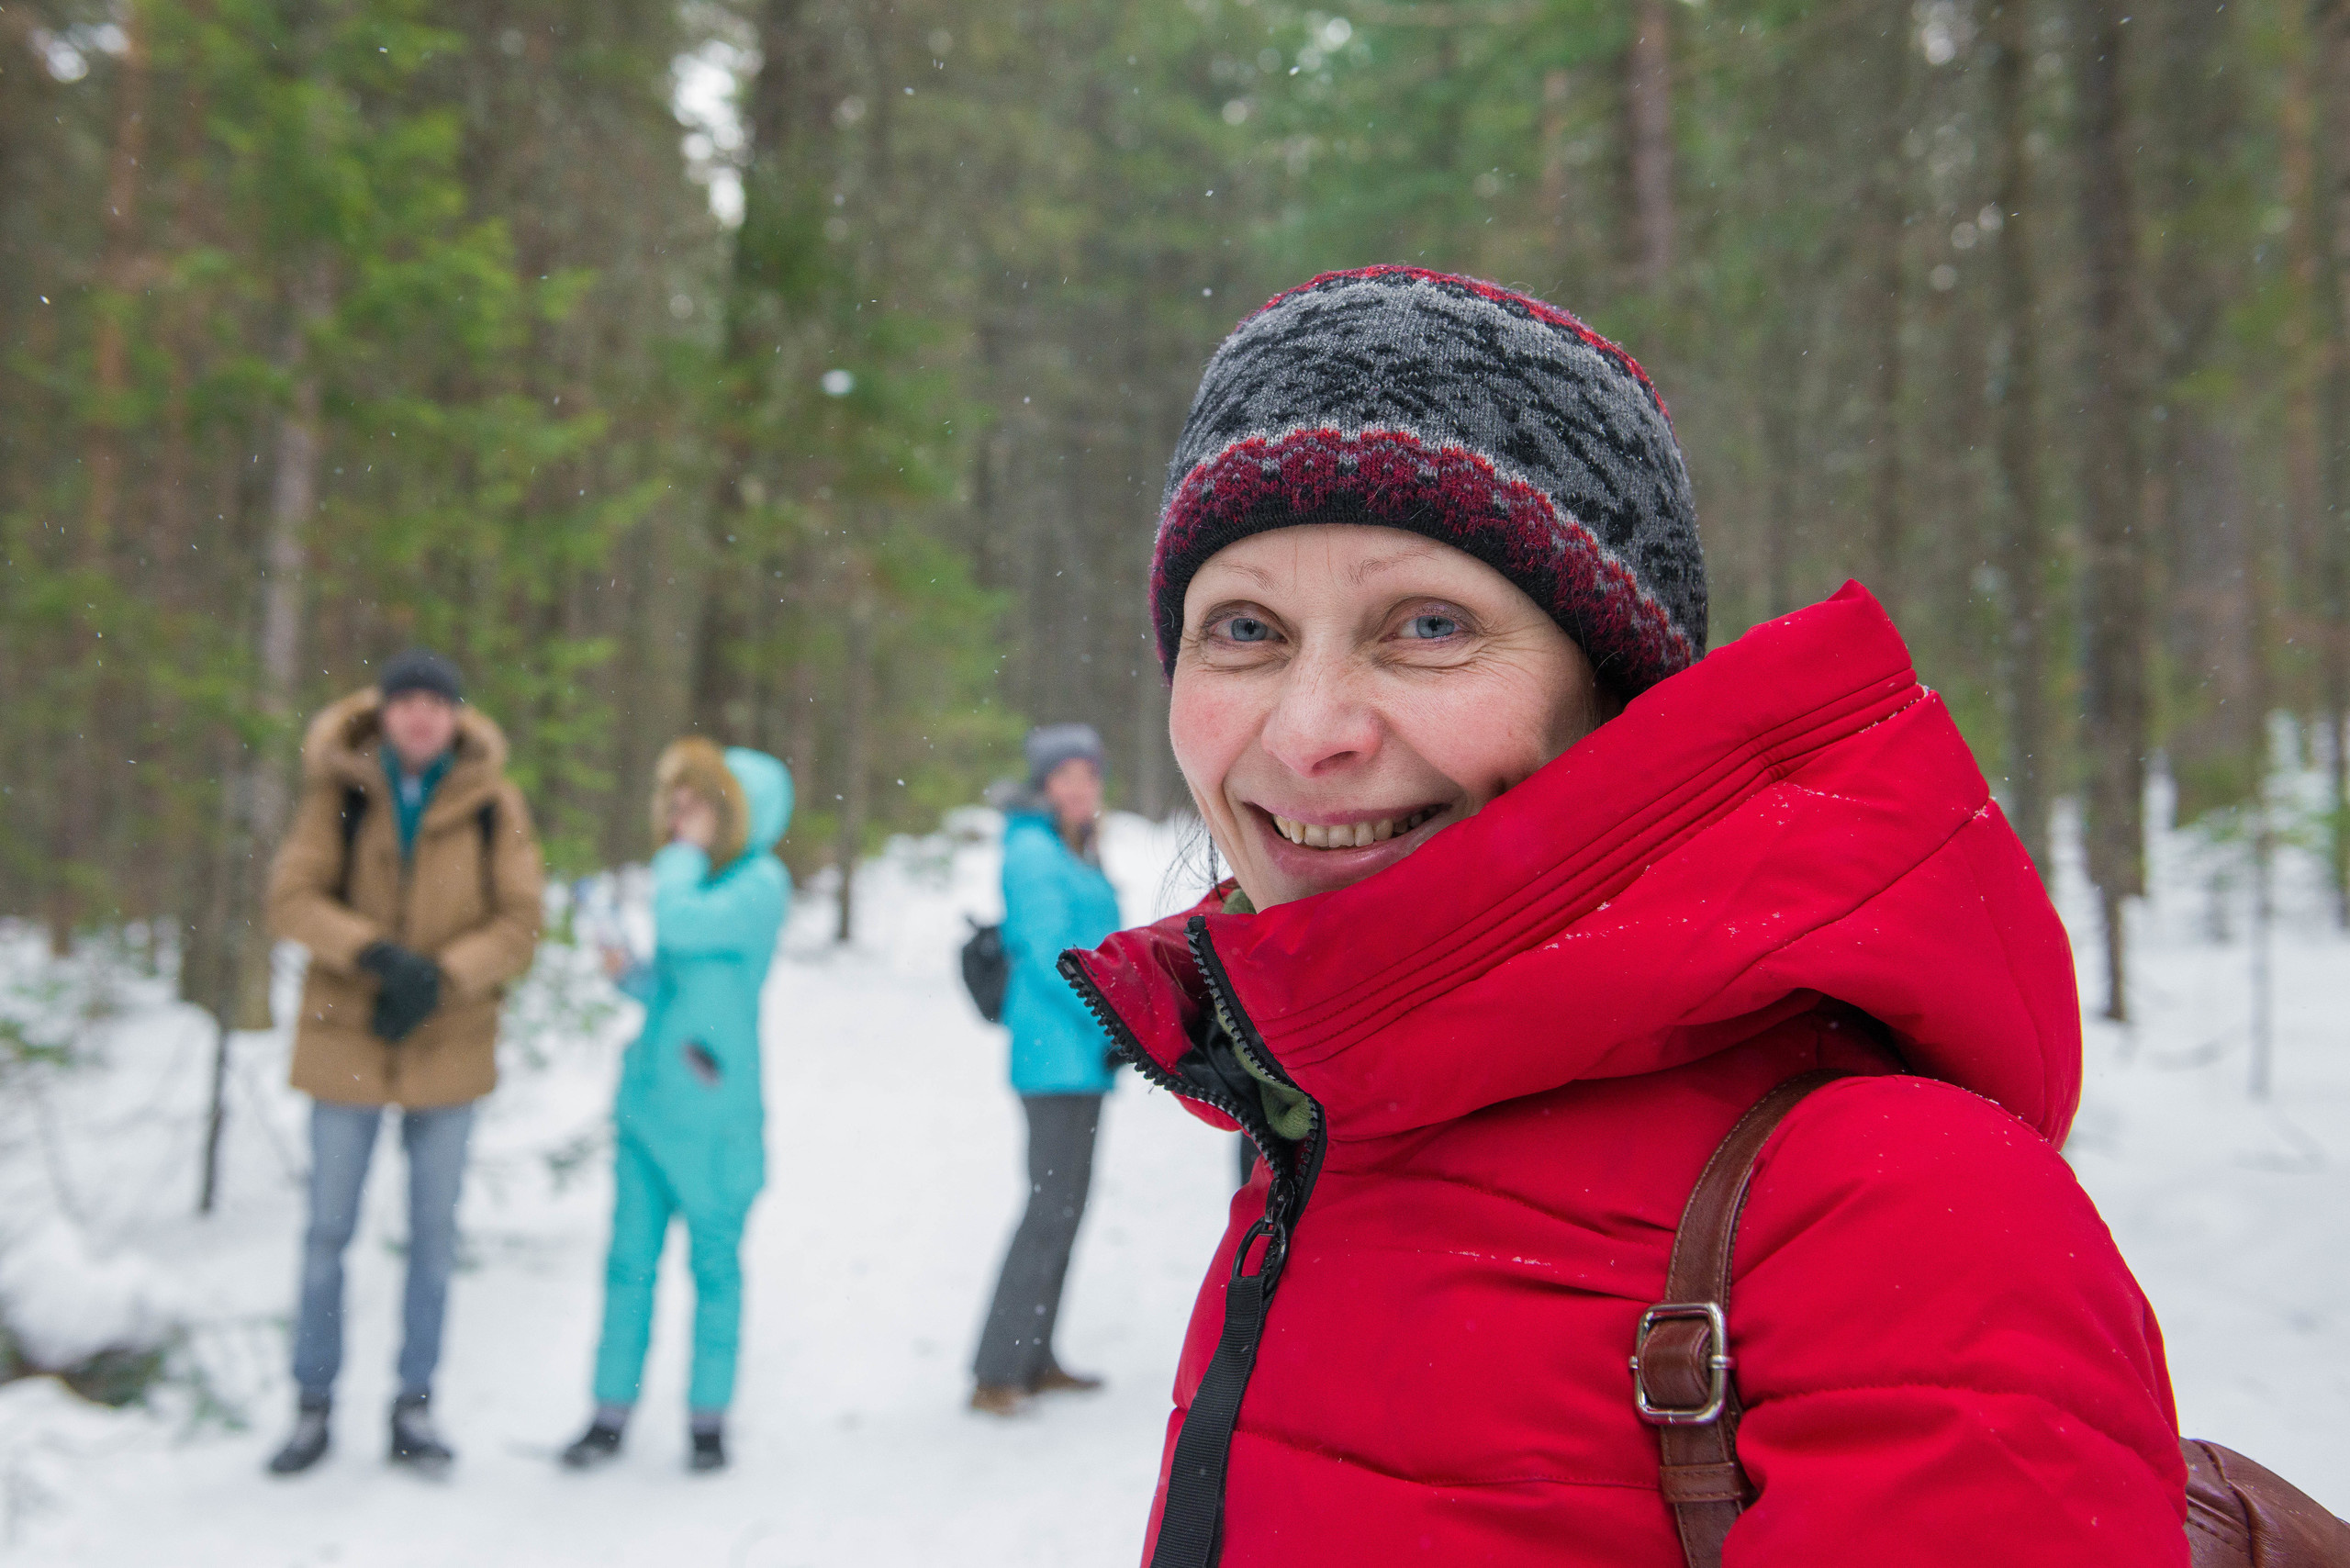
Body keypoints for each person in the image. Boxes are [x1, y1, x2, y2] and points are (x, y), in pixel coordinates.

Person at [1059, 268, 2188, 1563]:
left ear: (1616, 699)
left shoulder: (1894, 1209)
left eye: (1428, 627)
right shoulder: (1326, 1138)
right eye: (1245, 628)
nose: (1309, 732)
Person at [262, 648, 544, 1477]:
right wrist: (376, 955)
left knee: (431, 1238)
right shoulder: (339, 791)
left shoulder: (494, 802)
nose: (421, 716)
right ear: (383, 712)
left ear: (456, 716)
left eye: (436, 703)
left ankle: (414, 1405)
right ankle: (312, 1404)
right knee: (327, 1234)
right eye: (407, 702)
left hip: (449, 1043)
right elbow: (292, 898)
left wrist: (444, 974)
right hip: (345, 1037)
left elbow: (522, 919)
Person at [559, 739, 791, 1474]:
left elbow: (688, 924)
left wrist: (678, 855)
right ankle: (608, 1411)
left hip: (718, 1120)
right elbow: (676, 982)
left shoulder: (759, 882)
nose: (680, 817)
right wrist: (628, 972)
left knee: (715, 1267)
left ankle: (707, 1420)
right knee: (628, 1264)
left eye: (698, 803)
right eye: (678, 803)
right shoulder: (700, 882)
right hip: (650, 1108)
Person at [968, 723, 1125, 1417]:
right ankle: (997, 1371)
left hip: (1079, 1056)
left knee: (1065, 1207)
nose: (1081, 789)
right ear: (1042, 786)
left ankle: (1036, 1354)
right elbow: (1053, 956)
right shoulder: (1033, 853)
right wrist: (1113, 1020)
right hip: (1054, 1056)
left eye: (1089, 776)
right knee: (1048, 1207)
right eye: (1066, 777)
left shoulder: (1072, 847)